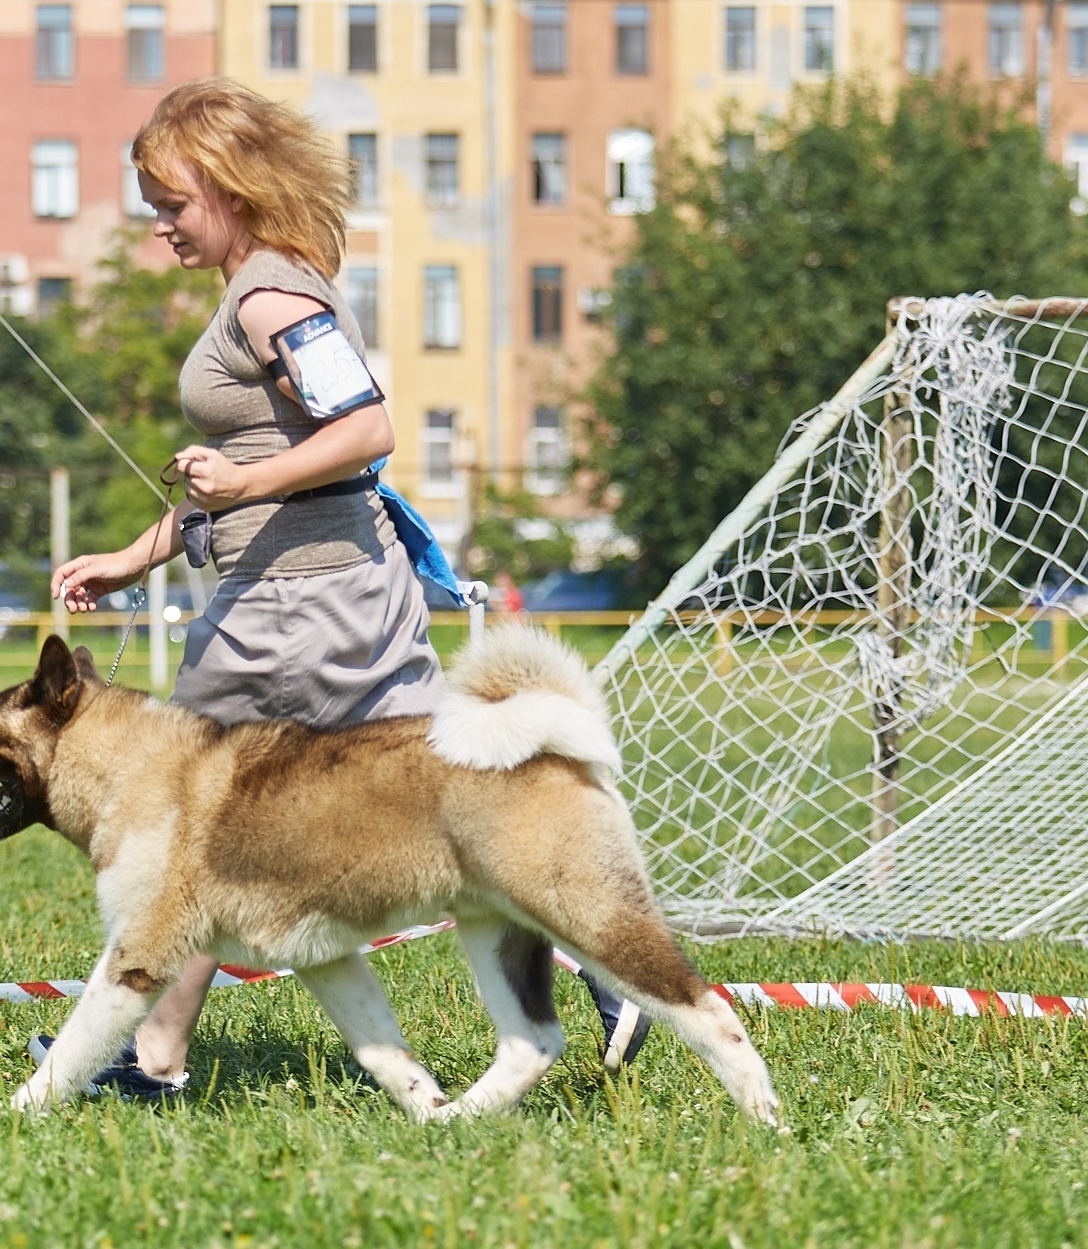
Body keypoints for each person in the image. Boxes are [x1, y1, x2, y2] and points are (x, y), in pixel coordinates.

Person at [42, 78, 644, 1098]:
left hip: (291, 615)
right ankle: (600, 960)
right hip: (340, 593)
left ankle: (148, 1055)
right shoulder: (270, 285)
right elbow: (268, 461)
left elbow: (363, 432)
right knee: (464, 784)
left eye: (170, 203)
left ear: (228, 188)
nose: (158, 226)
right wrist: (137, 553)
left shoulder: (272, 295)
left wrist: (237, 482)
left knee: (185, 826)